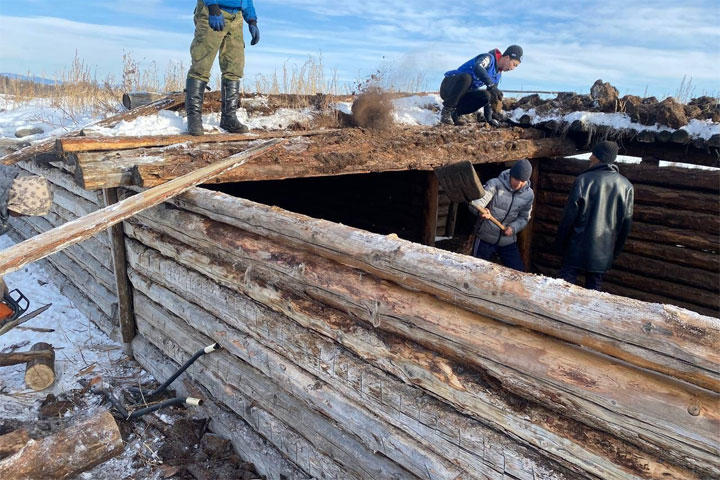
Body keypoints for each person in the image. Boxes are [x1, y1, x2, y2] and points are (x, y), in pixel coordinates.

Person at [555, 141, 634, 290]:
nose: (590, 157)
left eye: (594, 154)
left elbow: (569, 218)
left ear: (600, 157)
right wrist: (613, 253)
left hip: (575, 249)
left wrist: (560, 244)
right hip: (603, 253)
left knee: (563, 291)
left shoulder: (583, 181)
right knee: (593, 298)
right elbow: (625, 226)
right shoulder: (626, 186)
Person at [185, 0, 261, 136]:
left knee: (234, 68)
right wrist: (212, 6)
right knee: (201, 65)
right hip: (212, 11)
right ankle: (194, 119)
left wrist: (251, 20)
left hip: (236, 17)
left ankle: (228, 118)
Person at [470, 159, 534, 271]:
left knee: (518, 272)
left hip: (507, 240)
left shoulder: (529, 195)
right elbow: (476, 204)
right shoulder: (494, 184)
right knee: (475, 270)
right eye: (516, 179)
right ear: (511, 175)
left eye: (522, 181)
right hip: (486, 237)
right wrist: (482, 211)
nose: (518, 184)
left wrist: (513, 228)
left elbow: (524, 217)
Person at [440, 45, 523, 126]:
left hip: (463, 95)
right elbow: (478, 67)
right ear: (507, 58)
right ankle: (447, 111)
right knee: (467, 78)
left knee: (487, 95)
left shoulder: (497, 75)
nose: (513, 68)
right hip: (449, 88)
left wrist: (489, 119)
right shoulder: (489, 58)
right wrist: (491, 85)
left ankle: (456, 114)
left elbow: (491, 94)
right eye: (514, 64)